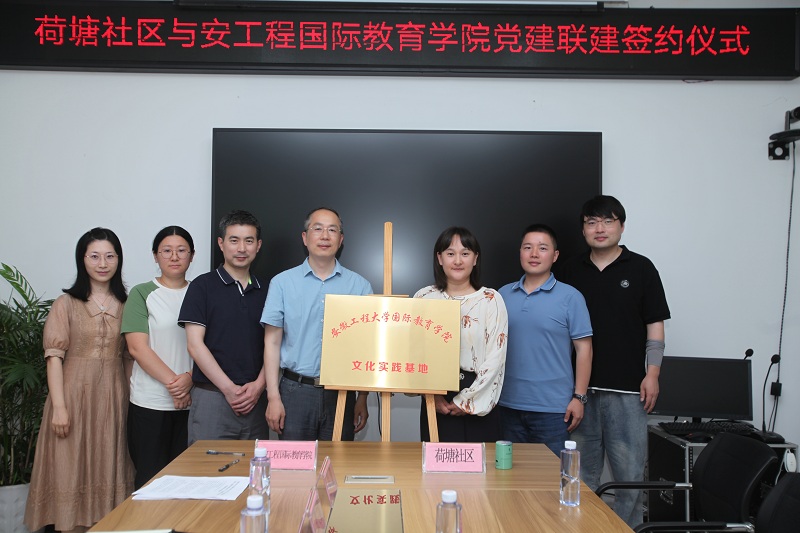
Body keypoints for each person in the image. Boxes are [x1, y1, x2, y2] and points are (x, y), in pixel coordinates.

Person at [559, 195, 671, 528]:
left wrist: (653, 374)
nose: (600, 228)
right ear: (583, 229)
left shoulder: (641, 268)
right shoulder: (569, 271)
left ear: (621, 226)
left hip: (628, 392)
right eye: (592, 222)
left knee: (629, 479)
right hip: (579, 393)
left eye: (608, 221)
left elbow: (655, 326)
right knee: (579, 477)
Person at [24, 228, 134, 533]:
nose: (103, 263)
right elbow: (54, 357)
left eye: (110, 256)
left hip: (113, 398)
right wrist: (59, 408)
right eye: (94, 256)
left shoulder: (128, 304)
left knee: (109, 464)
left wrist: (132, 403)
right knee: (70, 465)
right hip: (71, 397)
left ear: (119, 260)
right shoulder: (66, 303)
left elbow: (129, 358)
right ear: (82, 259)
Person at [262, 207, 372, 441]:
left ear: (341, 240)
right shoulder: (282, 283)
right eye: (318, 229)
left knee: (338, 462)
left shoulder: (360, 286)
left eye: (332, 230)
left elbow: (366, 347)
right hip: (294, 392)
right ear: (305, 237)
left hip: (342, 393)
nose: (325, 236)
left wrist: (362, 397)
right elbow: (271, 342)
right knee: (294, 463)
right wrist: (273, 397)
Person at [498, 224, 592, 455]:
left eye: (542, 248)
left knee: (551, 476)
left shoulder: (571, 297)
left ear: (555, 255)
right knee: (508, 475)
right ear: (520, 252)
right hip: (506, 405)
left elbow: (584, 350)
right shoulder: (501, 295)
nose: (534, 254)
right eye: (527, 247)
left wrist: (579, 397)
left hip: (553, 410)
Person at [178, 210, 268, 444]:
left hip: (256, 400)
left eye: (249, 241)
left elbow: (276, 344)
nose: (242, 248)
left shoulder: (269, 289)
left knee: (256, 467)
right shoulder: (202, 286)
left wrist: (259, 386)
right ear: (221, 243)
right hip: (213, 397)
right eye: (234, 240)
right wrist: (228, 389)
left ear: (258, 245)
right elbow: (195, 345)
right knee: (207, 467)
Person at [414, 226, 508, 443]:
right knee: (437, 463)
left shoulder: (491, 300)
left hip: (480, 395)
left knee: (480, 464)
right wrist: (432, 396)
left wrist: (467, 400)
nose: (458, 261)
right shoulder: (424, 297)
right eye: (450, 253)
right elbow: (414, 351)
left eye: (465, 253)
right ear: (439, 258)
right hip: (435, 396)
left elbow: (496, 357)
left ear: (475, 259)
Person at [121, 226, 195, 489]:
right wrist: (177, 386)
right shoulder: (141, 293)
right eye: (166, 251)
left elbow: (212, 345)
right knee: (150, 482)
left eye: (181, 250)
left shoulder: (202, 292)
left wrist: (190, 379)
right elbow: (137, 348)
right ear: (155, 255)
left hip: (194, 404)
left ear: (192, 255)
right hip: (150, 402)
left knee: (187, 482)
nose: (174, 257)